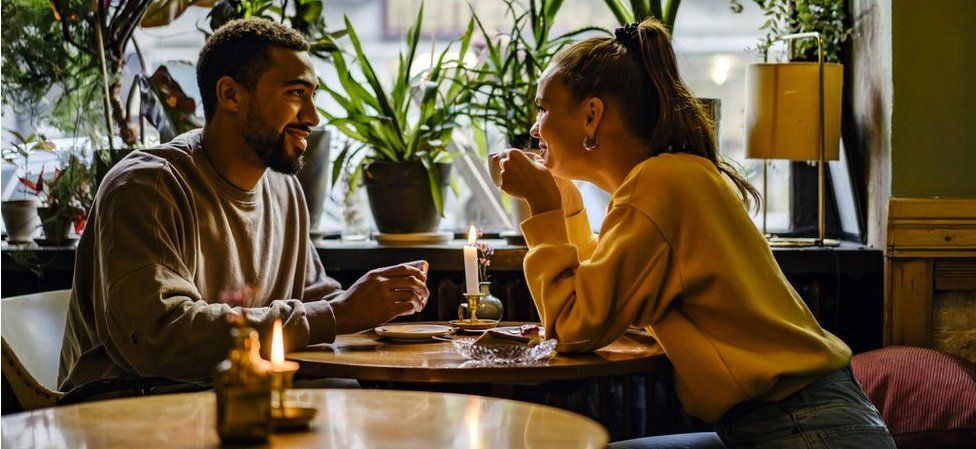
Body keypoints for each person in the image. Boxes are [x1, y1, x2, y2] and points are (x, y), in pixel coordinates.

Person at [492, 19, 895, 449]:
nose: (535, 128)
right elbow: (604, 297)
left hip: (805, 430)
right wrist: (567, 204)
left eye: (543, 107)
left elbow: (575, 326)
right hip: (790, 421)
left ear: (591, 115)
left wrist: (545, 208)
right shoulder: (673, 176)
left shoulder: (660, 183)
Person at [59, 18, 429, 396]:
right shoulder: (147, 187)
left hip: (238, 395)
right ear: (231, 95)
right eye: (296, 93)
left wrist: (377, 309)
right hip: (127, 408)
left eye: (313, 95)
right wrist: (338, 314)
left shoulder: (284, 189)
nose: (313, 117)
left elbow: (315, 303)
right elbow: (160, 337)